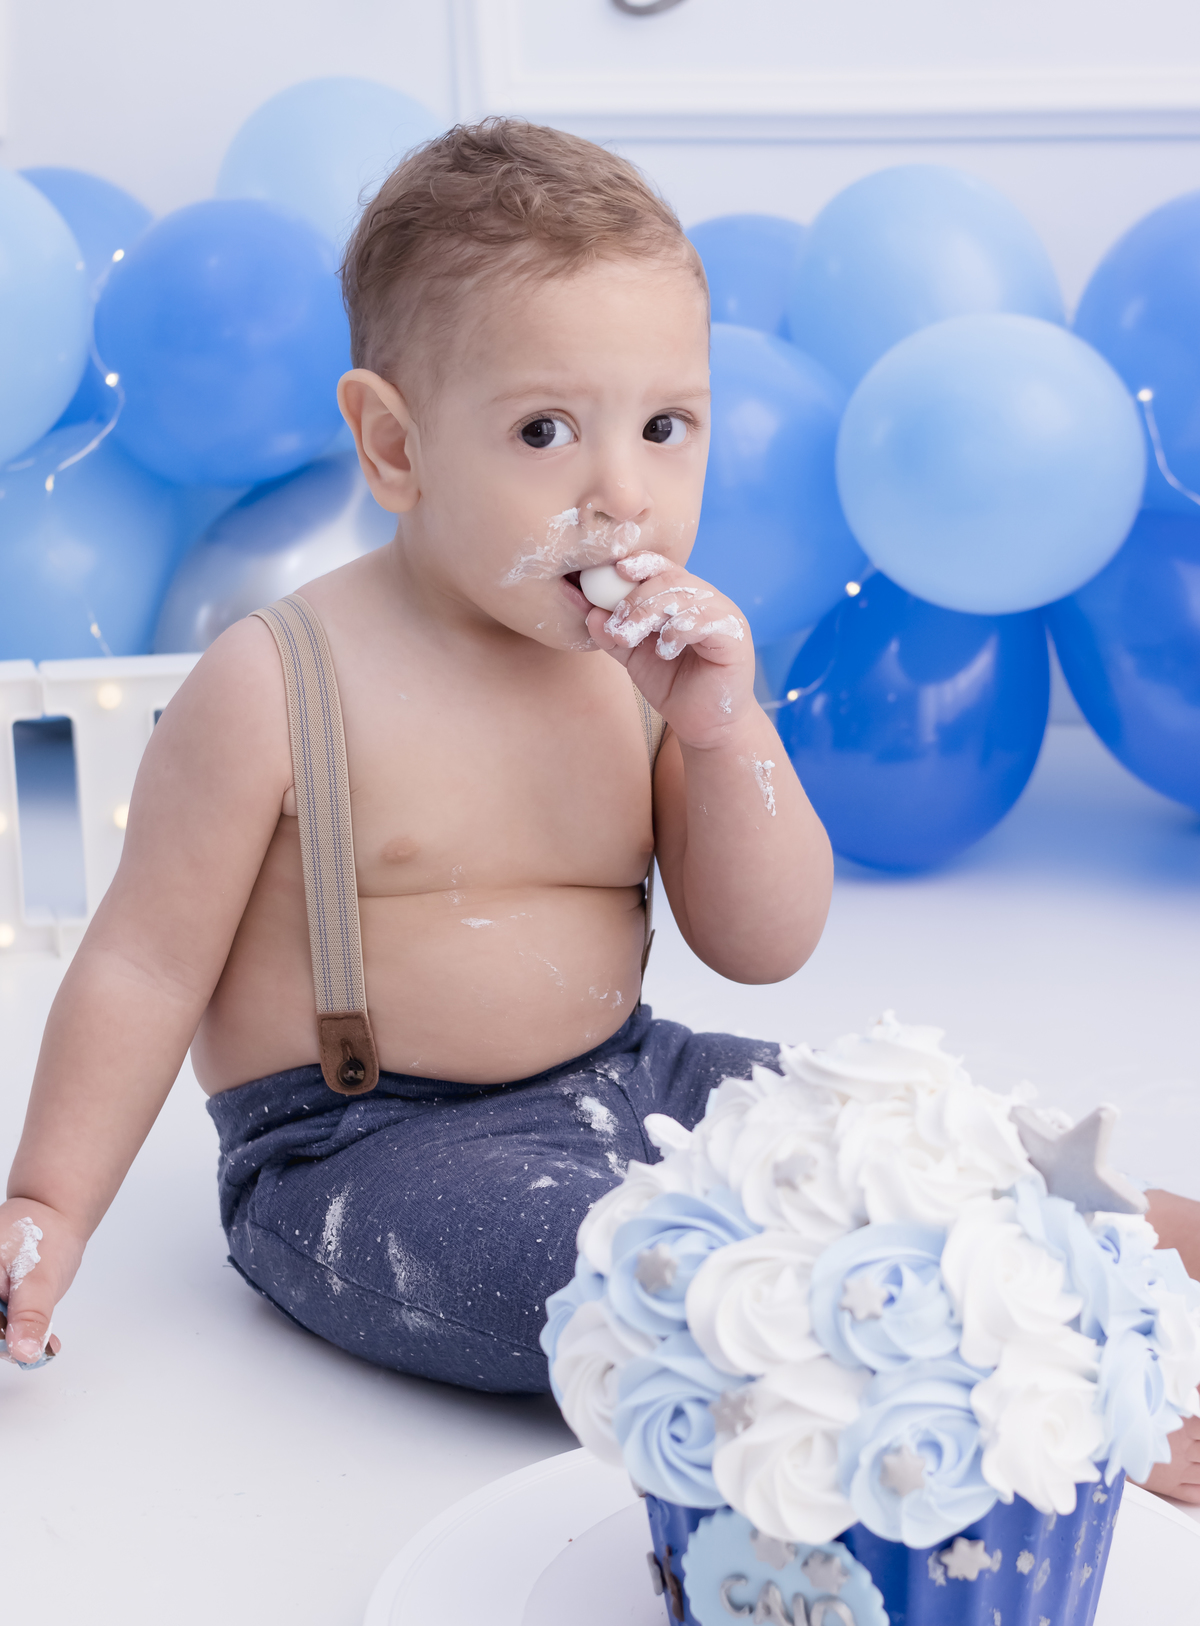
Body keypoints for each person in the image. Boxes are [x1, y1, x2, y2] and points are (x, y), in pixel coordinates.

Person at [0, 120, 833, 1394]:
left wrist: (727, 734)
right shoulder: (279, 682)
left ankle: (1110, 1235)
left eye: (667, 426)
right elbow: (142, 965)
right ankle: (923, 1366)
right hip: (371, 1149)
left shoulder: (651, 679)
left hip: (627, 1071)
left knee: (885, 1133)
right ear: (397, 446)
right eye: (547, 432)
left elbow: (764, 945)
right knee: (617, 1280)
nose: (624, 494)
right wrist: (46, 1206)